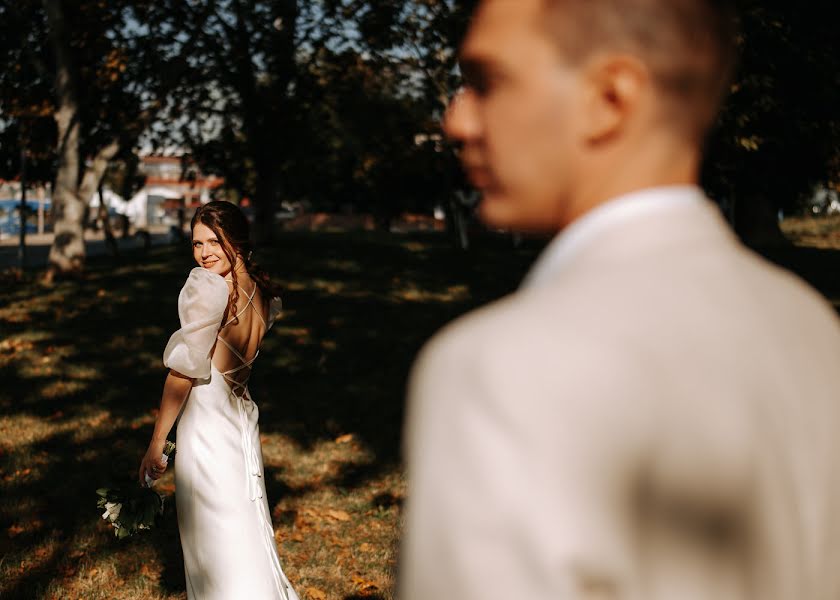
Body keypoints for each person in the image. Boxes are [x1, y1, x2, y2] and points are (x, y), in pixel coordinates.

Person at [400, 1, 840, 599]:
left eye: (487, 81)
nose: (458, 121)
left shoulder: (502, 366)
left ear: (610, 98)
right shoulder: (808, 322)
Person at [139, 201, 298, 600]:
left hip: (208, 427)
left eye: (215, 241)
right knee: (239, 526)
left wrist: (157, 441)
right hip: (239, 421)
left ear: (238, 242)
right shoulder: (262, 294)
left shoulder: (208, 289)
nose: (204, 252)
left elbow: (182, 373)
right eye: (196, 243)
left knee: (213, 537)